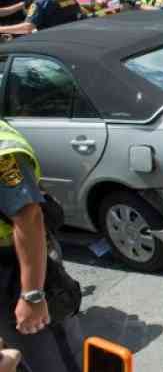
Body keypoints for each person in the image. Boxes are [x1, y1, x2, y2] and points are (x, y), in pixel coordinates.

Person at [0, 121, 84, 372]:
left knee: (53, 357)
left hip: (15, 266)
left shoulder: (3, 150)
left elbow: (29, 216)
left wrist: (32, 295)